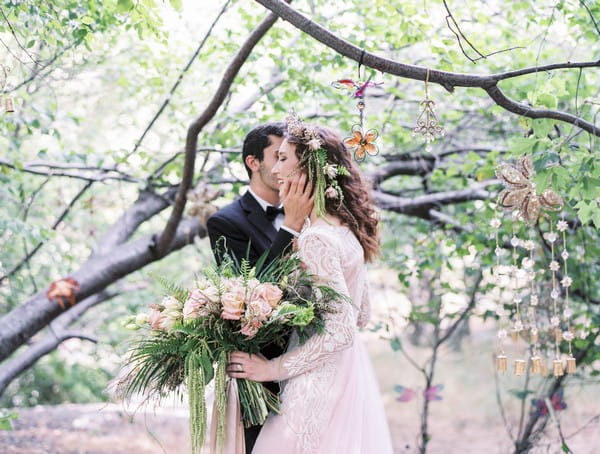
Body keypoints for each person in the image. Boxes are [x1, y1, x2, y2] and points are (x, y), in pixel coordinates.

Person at [226, 114, 394, 453]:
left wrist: (271, 367)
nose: (275, 170)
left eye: (284, 159)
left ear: (309, 171)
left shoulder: (316, 239)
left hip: (315, 384)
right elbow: (361, 315)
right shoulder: (347, 231)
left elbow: (342, 330)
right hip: (349, 377)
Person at [206, 122, 314, 452]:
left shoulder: (317, 213)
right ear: (254, 162)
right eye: (276, 156)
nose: (285, 166)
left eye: (288, 157)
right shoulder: (225, 222)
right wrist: (291, 226)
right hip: (261, 371)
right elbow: (251, 288)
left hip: (314, 362)